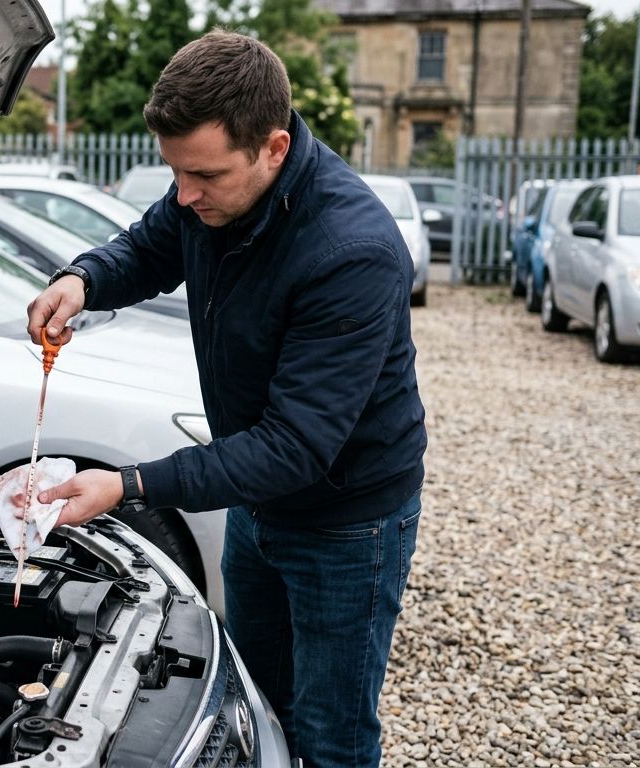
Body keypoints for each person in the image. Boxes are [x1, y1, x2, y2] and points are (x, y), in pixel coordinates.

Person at [25, 30, 427, 768]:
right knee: (248, 700)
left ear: (273, 149)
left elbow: (296, 446)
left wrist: (130, 484)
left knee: (331, 735)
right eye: (176, 173)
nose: (184, 194)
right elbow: (147, 248)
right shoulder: (205, 193)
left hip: (347, 525)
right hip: (257, 504)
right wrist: (82, 279)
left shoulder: (352, 252)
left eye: (203, 175)